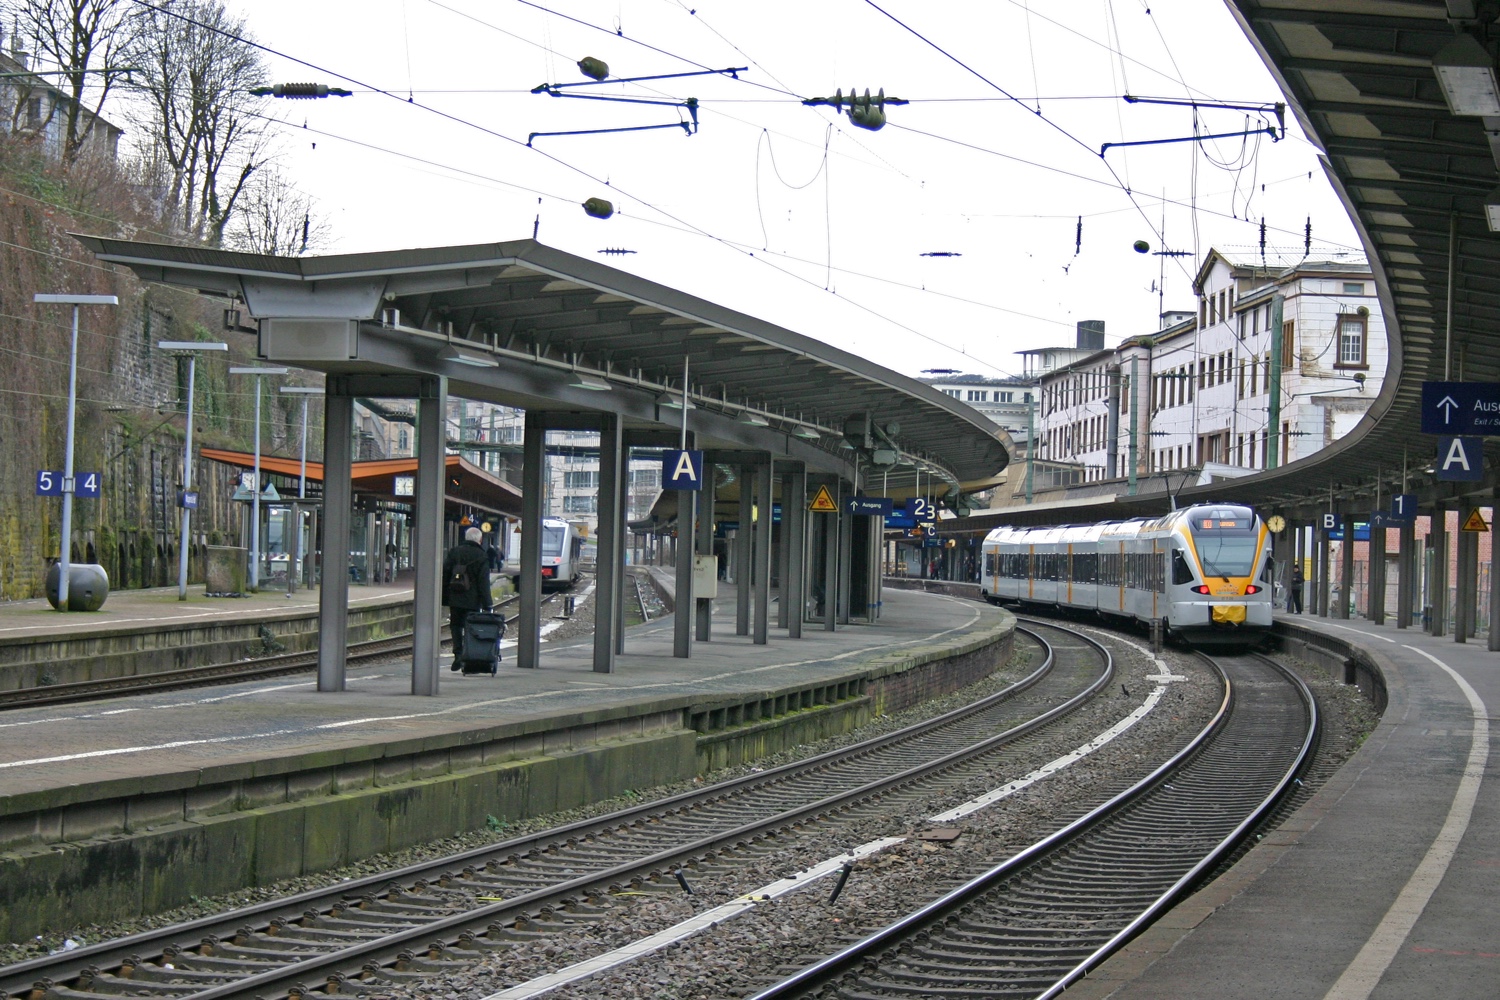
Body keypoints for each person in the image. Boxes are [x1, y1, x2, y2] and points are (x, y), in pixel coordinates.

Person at [443, 526, 493, 670]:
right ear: (480, 539)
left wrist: (445, 597)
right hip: (472, 600)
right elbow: (483, 582)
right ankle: (468, 655)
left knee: (455, 626)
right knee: (470, 627)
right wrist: (487, 604)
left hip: (455, 597)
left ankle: (458, 653)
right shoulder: (481, 555)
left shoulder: (454, 552)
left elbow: (446, 575)